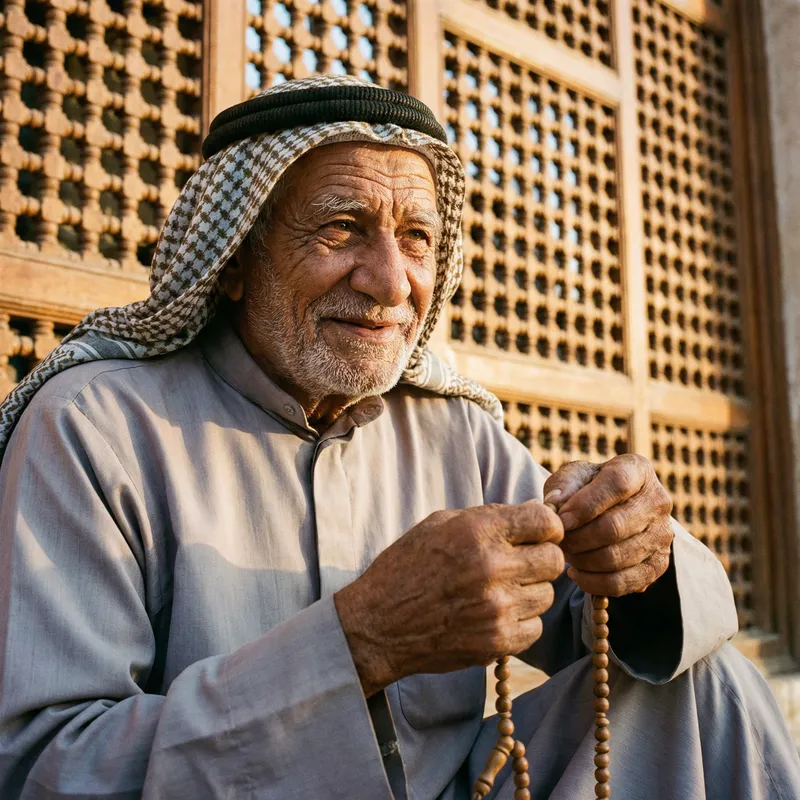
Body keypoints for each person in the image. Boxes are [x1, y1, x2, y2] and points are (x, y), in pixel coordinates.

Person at [0, 75, 796, 800]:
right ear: (235, 258)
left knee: (710, 689)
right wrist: (359, 643)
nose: (391, 283)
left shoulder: (456, 432)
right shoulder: (93, 428)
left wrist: (638, 556)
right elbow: (43, 767)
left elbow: (600, 616)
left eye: (416, 238)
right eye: (343, 228)